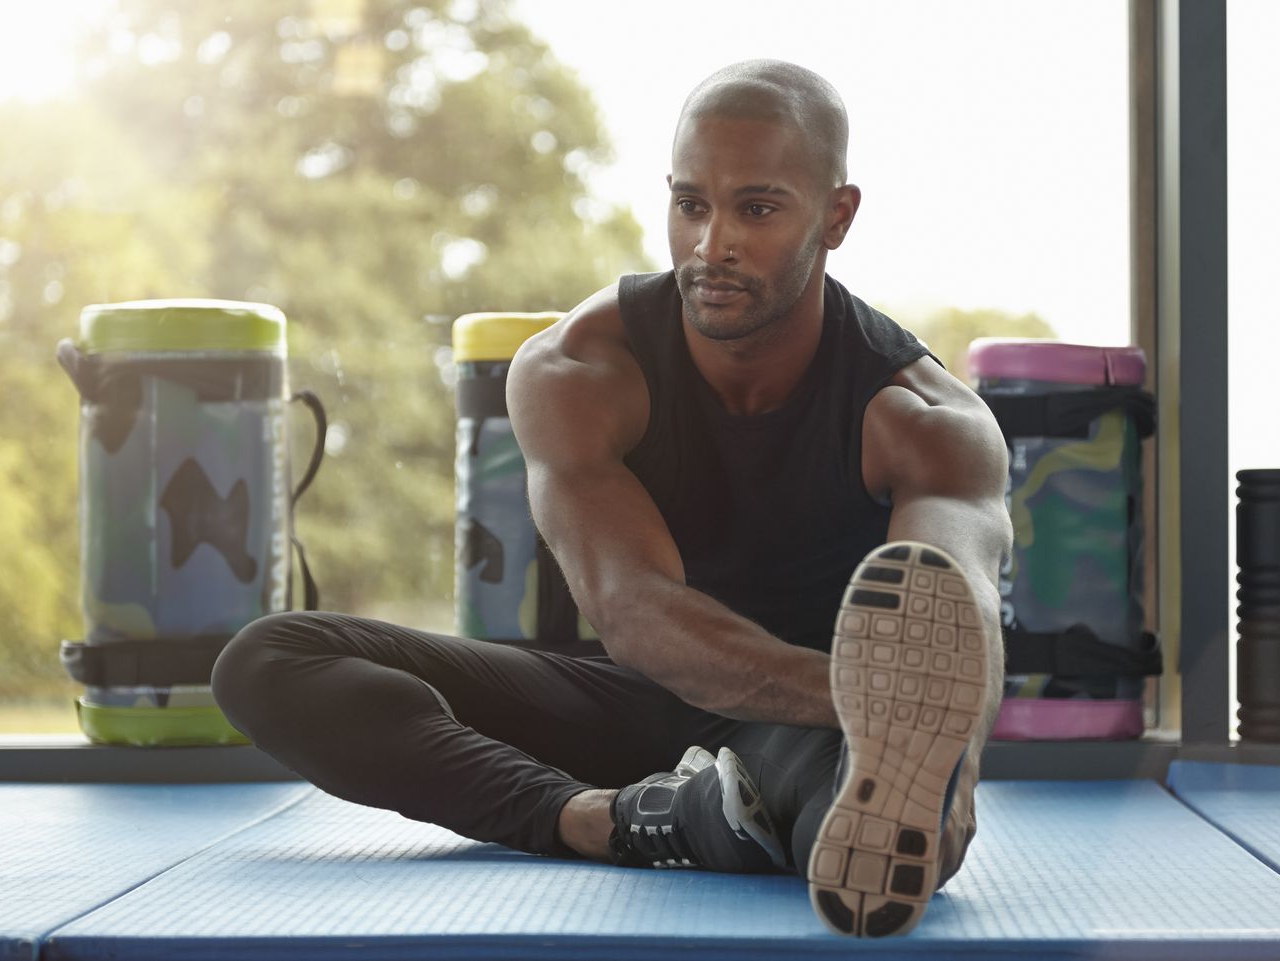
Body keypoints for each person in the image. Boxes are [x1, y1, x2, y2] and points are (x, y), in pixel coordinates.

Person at [211, 59, 1010, 939]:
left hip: (799, 736)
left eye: (757, 207)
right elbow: (634, 614)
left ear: (836, 215)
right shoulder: (579, 370)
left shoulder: (926, 423)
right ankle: (603, 819)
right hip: (640, 701)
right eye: (691, 204)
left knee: (861, 820)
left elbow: (953, 622)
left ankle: (813, 814)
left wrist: (928, 736)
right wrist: (872, 700)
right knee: (270, 660)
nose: (713, 246)